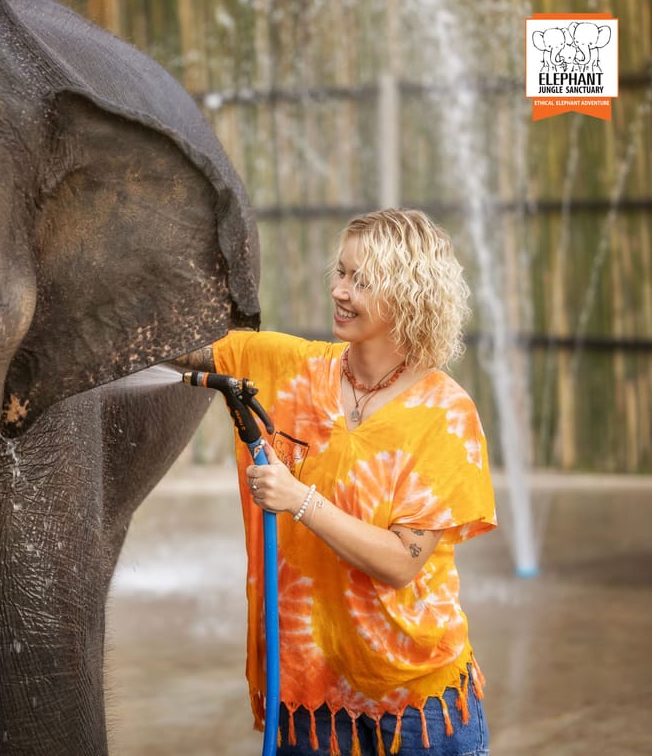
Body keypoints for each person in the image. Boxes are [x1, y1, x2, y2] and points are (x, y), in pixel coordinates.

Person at [177, 208, 496, 755]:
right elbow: (176, 347)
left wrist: (300, 500)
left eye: (361, 281)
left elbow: (402, 562)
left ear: (408, 296)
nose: (339, 290)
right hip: (310, 695)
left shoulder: (445, 413)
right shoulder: (290, 369)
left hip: (419, 706)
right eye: (341, 272)